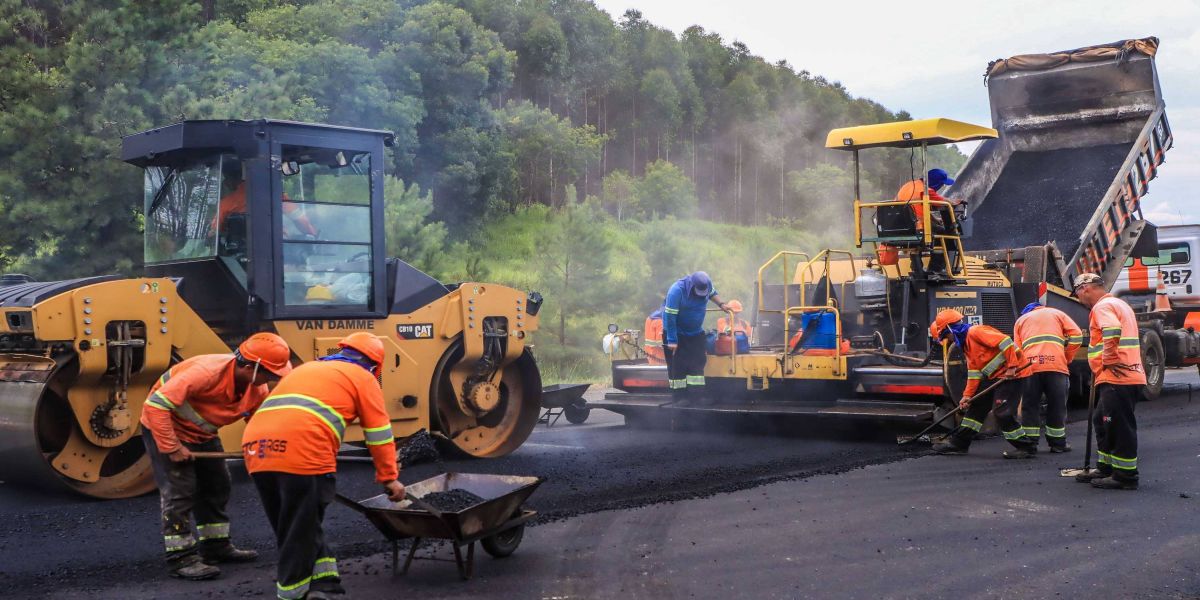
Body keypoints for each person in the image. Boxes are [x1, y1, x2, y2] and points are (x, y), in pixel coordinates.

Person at [243, 332, 405, 599]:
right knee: (299, 530)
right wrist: (389, 477)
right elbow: (378, 433)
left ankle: (325, 584)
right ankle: (291, 594)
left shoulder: (307, 368)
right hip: (302, 452)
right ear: (374, 365)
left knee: (296, 523)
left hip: (256, 449)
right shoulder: (363, 377)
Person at [140, 333, 294, 581]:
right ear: (247, 367)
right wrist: (171, 447)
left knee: (217, 485)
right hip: (166, 428)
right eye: (269, 373)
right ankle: (181, 558)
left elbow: (260, 423)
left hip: (202, 434)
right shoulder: (204, 373)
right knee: (180, 492)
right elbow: (155, 406)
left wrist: (266, 449)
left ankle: (215, 547)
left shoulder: (257, 388)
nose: (272, 379)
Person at [928, 309, 1037, 458]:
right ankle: (959, 444)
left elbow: (1005, 341)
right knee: (976, 406)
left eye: (946, 336)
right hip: (994, 376)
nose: (949, 340)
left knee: (1002, 413)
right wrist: (966, 396)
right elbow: (974, 374)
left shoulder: (976, 332)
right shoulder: (967, 345)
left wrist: (1012, 367)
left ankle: (1025, 447)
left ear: (950, 329)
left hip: (1013, 375)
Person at [1071, 272, 1145, 490]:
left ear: (1085, 289)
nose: (1078, 299)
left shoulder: (1102, 307)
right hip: (1121, 375)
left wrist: (1108, 359)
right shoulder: (1118, 304)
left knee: (1117, 425)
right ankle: (1106, 467)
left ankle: (1126, 476)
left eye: (1077, 294)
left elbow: (1112, 330)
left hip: (1118, 377)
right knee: (1101, 420)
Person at [1013, 301, 1084, 452]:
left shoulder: (1020, 321)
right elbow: (1077, 335)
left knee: (1030, 405)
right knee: (1057, 405)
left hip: (1030, 368)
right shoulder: (1057, 313)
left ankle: (1030, 444)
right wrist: (1067, 356)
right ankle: (1058, 444)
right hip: (1056, 366)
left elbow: (1017, 351)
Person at [663, 271, 729, 400]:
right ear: (691, 285)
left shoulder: (706, 284)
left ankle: (696, 396)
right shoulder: (676, 291)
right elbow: (670, 317)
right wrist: (672, 340)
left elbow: (712, 293)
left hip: (695, 333)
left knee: (697, 364)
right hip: (677, 334)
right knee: (678, 367)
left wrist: (721, 304)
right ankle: (679, 398)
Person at [895, 168, 964, 278]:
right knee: (945, 234)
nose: (941, 186)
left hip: (902, 225)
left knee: (933, 229)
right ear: (936, 182)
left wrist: (936, 220)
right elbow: (943, 201)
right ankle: (936, 269)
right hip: (918, 225)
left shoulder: (908, 186)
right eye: (941, 184)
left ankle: (916, 267)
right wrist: (956, 202)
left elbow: (919, 209)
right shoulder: (926, 190)